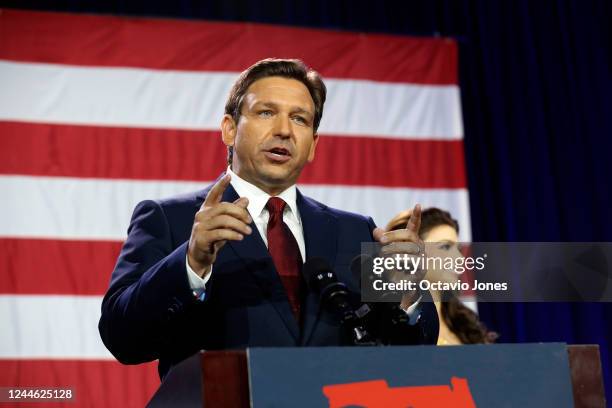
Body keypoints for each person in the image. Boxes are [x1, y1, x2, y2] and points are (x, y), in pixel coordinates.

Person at [99, 58, 439, 378]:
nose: (284, 130)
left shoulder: (356, 231)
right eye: (266, 113)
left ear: (312, 145)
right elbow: (123, 340)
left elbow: (408, 360)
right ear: (229, 129)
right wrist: (191, 262)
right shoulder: (171, 219)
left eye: (300, 119)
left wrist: (407, 297)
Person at [387, 208, 498, 345]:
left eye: (458, 249)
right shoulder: (389, 323)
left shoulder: (467, 325)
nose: (459, 258)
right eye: (445, 247)